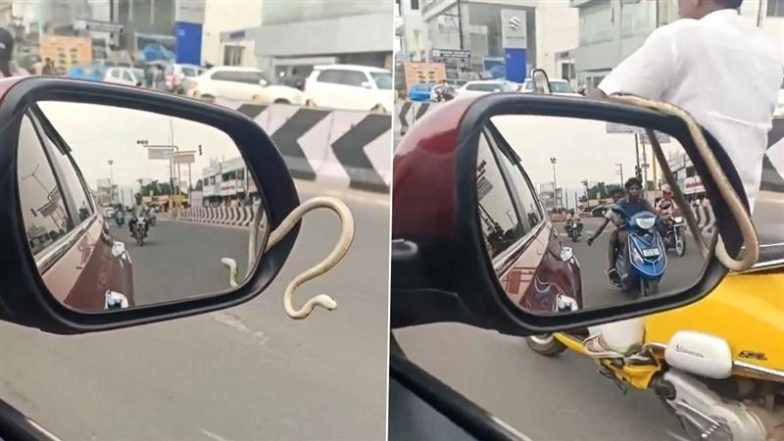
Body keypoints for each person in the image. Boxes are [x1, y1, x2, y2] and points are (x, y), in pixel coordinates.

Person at [587, 0, 782, 212]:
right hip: (742, 217)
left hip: (700, 214)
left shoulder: (681, 37)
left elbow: (600, 102)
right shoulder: (769, 52)